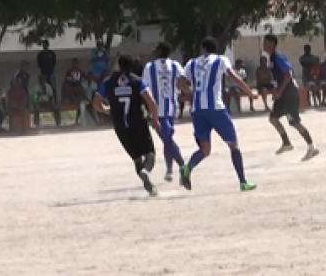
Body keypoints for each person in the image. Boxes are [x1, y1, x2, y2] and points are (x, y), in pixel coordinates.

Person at [177, 37, 257, 192]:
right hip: (215, 108)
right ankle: (243, 181)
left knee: (205, 150)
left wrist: (192, 92)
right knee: (233, 144)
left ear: (203, 48)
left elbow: (180, 83)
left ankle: (187, 167)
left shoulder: (191, 63)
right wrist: (249, 92)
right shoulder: (221, 60)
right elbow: (234, 78)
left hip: (197, 110)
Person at [94, 54, 161, 196]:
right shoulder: (137, 81)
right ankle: (146, 171)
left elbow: (96, 103)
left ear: (119, 65)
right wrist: (155, 119)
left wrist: (106, 110)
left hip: (120, 125)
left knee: (136, 157)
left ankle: (148, 184)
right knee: (150, 154)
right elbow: (151, 101)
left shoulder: (108, 82)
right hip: (137, 122)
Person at [263, 34, 319, 161]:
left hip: (289, 94)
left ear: (272, 44)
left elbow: (288, 74)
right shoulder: (271, 57)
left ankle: (312, 147)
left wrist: (280, 91)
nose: (263, 45)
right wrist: (275, 89)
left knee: (294, 122)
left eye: (265, 42)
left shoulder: (278, 56)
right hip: (282, 95)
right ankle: (286, 143)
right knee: (273, 118)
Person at [142, 42, 186, 183]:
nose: (153, 51)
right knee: (167, 139)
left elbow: (144, 89)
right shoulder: (175, 65)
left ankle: (183, 167)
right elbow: (183, 82)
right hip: (171, 108)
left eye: (155, 49)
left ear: (160, 51)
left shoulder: (149, 67)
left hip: (157, 110)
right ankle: (170, 170)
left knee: (167, 139)